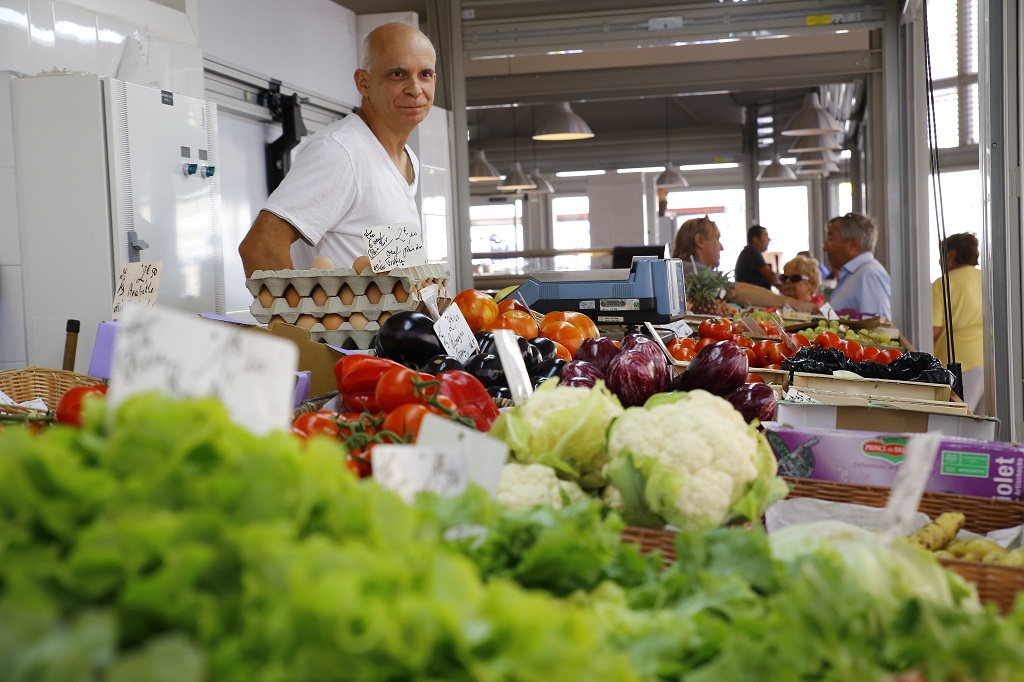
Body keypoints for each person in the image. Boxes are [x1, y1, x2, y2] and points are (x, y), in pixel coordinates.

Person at [239, 22, 437, 276]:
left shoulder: (407, 159)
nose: (415, 89)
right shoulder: (339, 152)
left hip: (391, 317)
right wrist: (303, 316)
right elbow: (260, 247)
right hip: (341, 318)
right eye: (397, 74)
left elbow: (384, 263)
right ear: (364, 83)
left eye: (425, 74)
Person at [671, 216, 818, 313]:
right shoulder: (688, 268)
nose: (721, 247)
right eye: (717, 238)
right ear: (700, 241)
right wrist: (793, 303)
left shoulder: (690, 269)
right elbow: (734, 291)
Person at [932, 232, 984, 414]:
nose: (940, 262)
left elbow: (934, 329)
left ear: (951, 255)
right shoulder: (986, 278)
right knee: (981, 420)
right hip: (987, 358)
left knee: (959, 417)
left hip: (959, 364)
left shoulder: (942, 284)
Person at [822, 212, 892, 320]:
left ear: (853, 244)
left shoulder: (869, 275)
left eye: (831, 239)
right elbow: (837, 320)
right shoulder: (853, 274)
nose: (825, 247)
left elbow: (876, 330)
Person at [734, 225, 778, 289]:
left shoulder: (748, 251)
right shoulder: (751, 252)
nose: (769, 239)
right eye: (766, 236)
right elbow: (770, 276)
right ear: (755, 240)